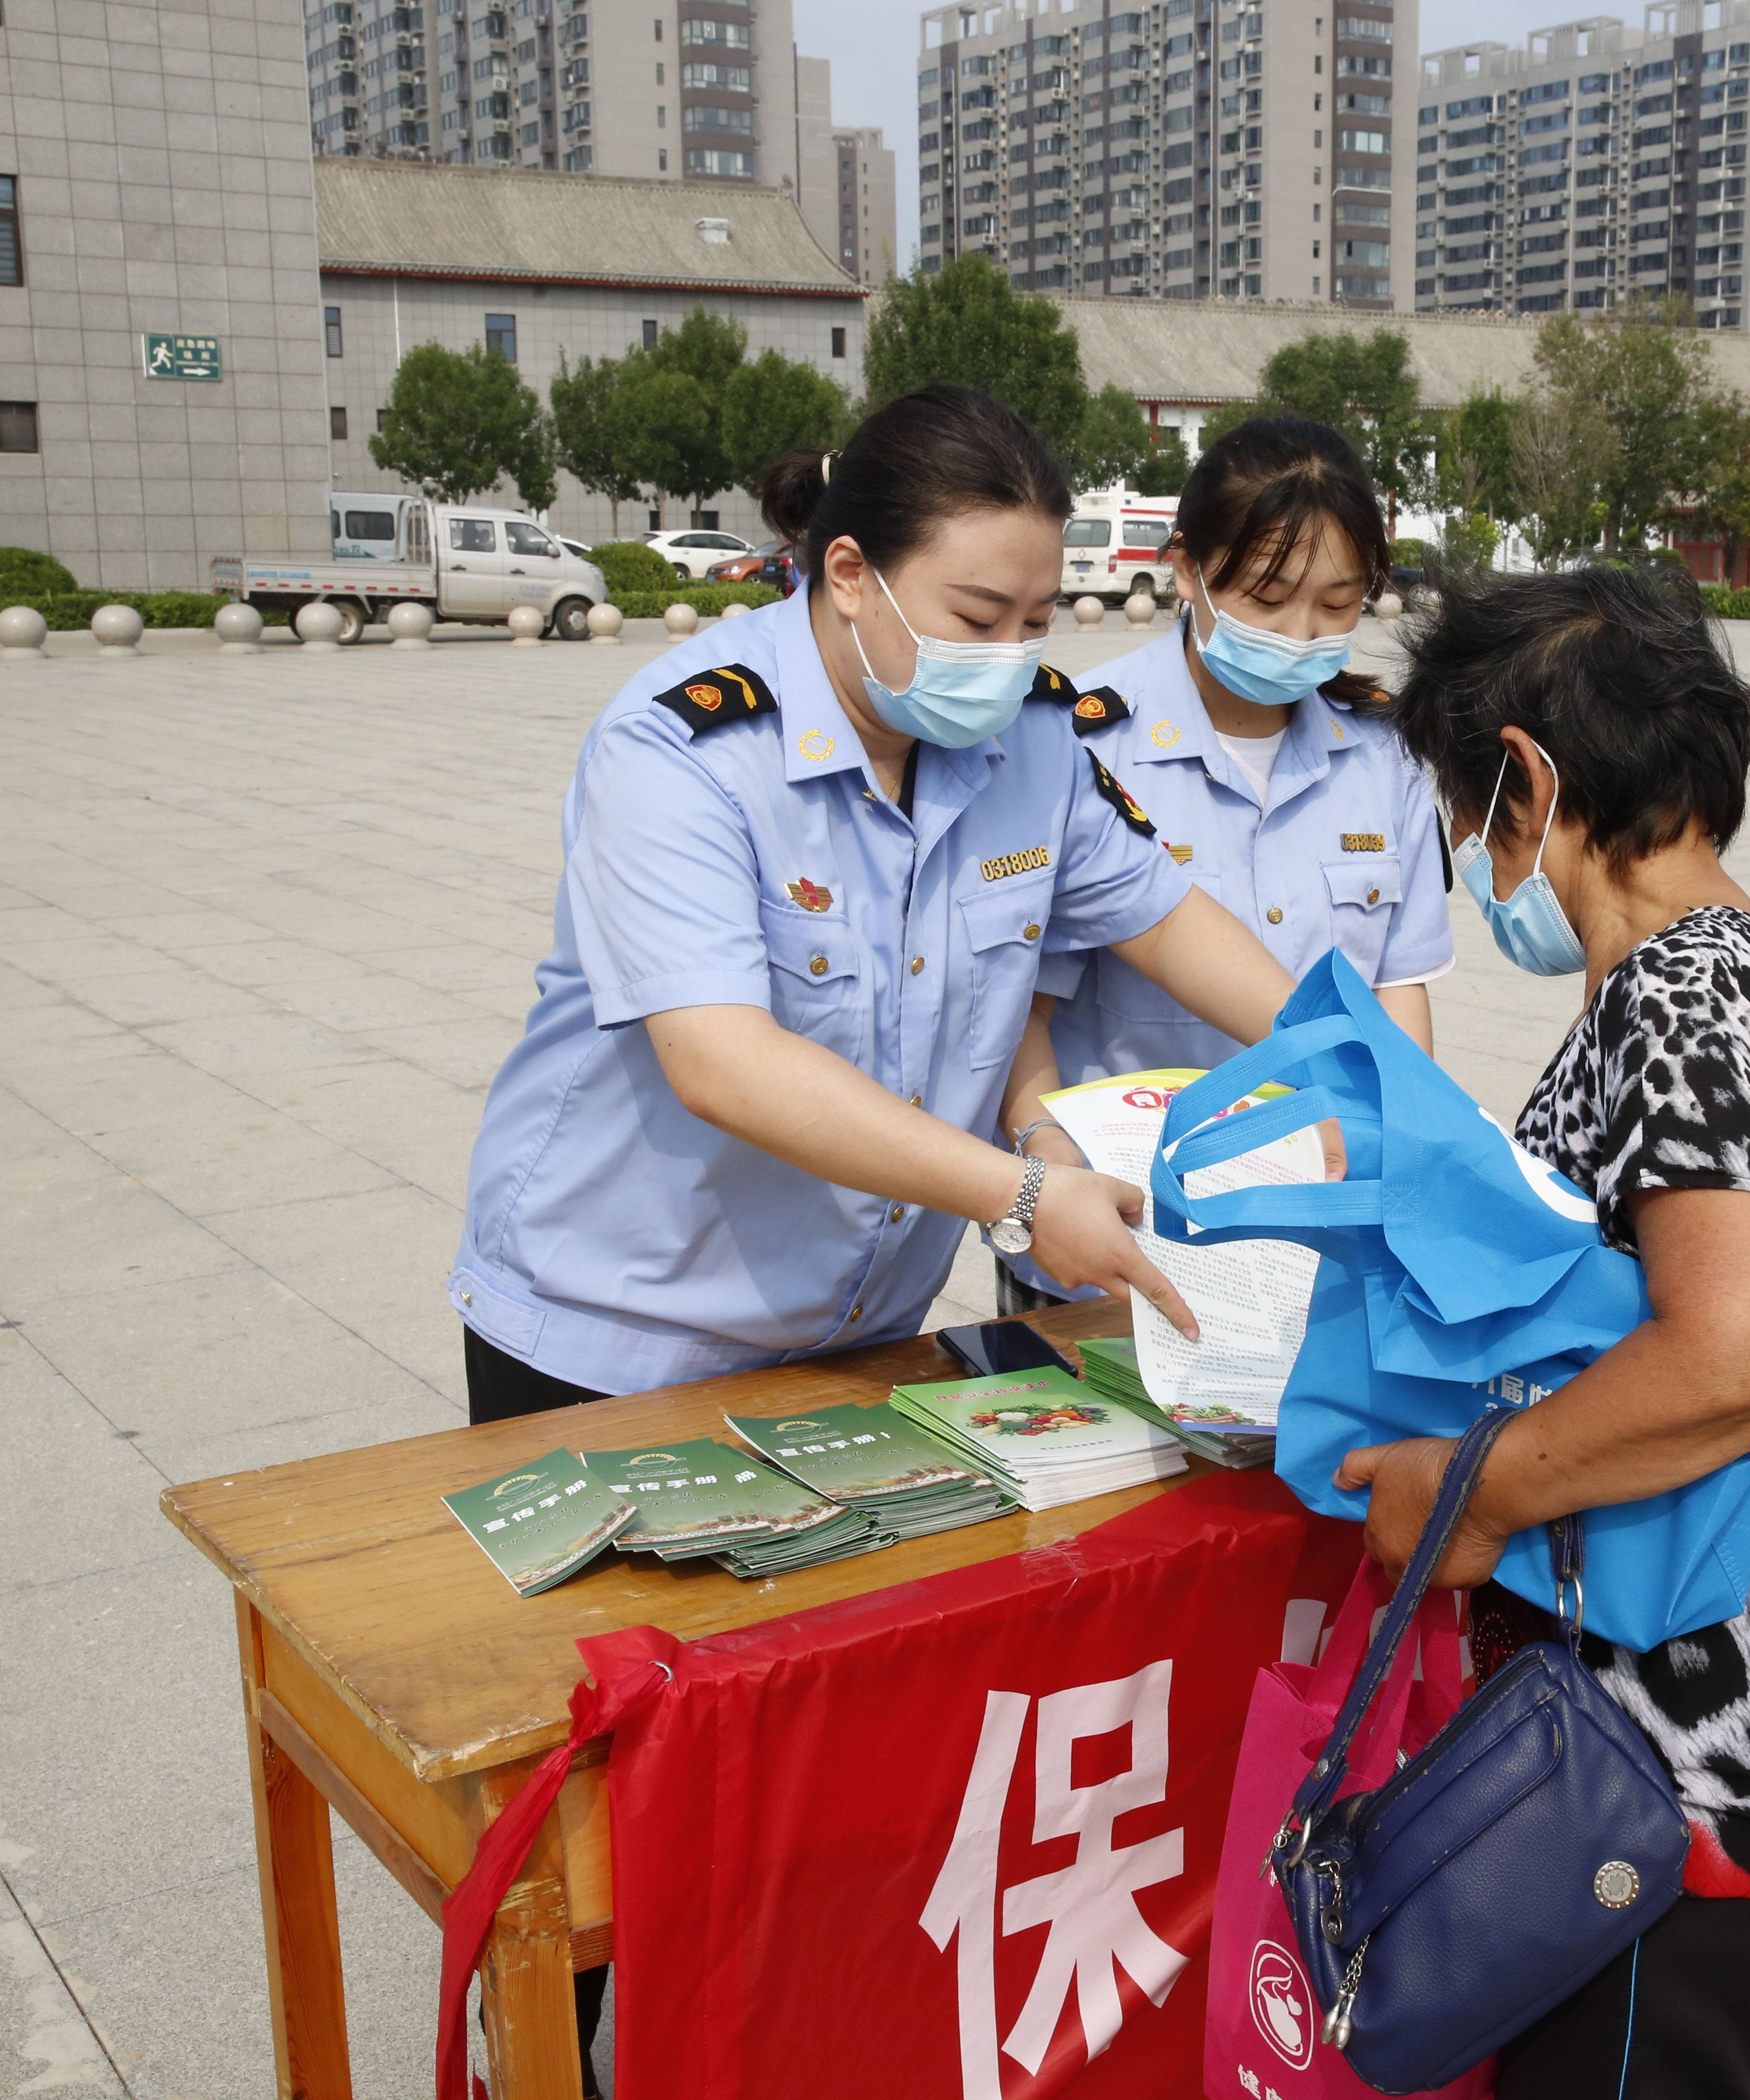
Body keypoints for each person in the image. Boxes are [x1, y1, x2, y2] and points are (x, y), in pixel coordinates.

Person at [448, 384, 1303, 2089]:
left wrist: (1373, 1088)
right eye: (978, 616)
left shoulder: (1033, 743)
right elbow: (723, 1056)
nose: (1011, 653)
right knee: (616, 1814)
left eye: (1041, 618)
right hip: (615, 1337)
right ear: (851, 573)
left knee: (814, 1779)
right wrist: (1015, 1190)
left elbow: (1185, 929)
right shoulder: (679, 746)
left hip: (855, 1341)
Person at [1346, 564, 1750, 2100]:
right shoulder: (1732, 971)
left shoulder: (1684, 1002)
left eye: (1465, 811)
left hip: (1686, 1809)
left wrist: (1469, 1492)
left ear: (1532, 782)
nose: (1468, 857)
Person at [994, 415, 1456, 1310]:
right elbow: (1020, 1016)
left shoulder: (1385, 751)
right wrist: (1050, 1175)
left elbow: (1399, 988)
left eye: (1337, 604)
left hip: (1319, 1243)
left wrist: (1399, 1150)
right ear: (1186, 571)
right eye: (1267, 596)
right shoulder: (1084, 745)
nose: (1299, 632)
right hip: (1120, 1242)